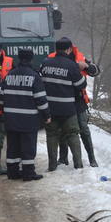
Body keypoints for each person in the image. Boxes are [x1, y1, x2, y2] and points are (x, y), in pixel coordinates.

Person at [0, 48, 49, 180]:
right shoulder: (34, 76)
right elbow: (41, 100)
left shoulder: (9, 75)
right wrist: (47, 115)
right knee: (28, 147)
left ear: (19, 58)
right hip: (28, 120)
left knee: (13, 147)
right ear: (31, 59)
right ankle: (28, 173)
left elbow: (1, 98)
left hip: (11, 119)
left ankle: (12, 172)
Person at [48, 44, 101, 167]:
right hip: (61, 99)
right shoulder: (51, 58)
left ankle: (92, 158)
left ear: (70, 49)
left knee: (83, 129)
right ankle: (63, 158)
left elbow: (96, 71)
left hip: (78, 100)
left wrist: (86, 66)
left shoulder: (80, 57)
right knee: (62, 130)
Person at [40, 37, 87, 171]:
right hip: (68, 109)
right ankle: (78, 165)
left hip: (50, 108)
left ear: (56, 48)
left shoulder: (45, 63)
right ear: (69, 49)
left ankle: (52, 166)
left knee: (52, 135)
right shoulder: (71, 65)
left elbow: (40, 81)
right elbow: (81, 85)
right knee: (73, 135)